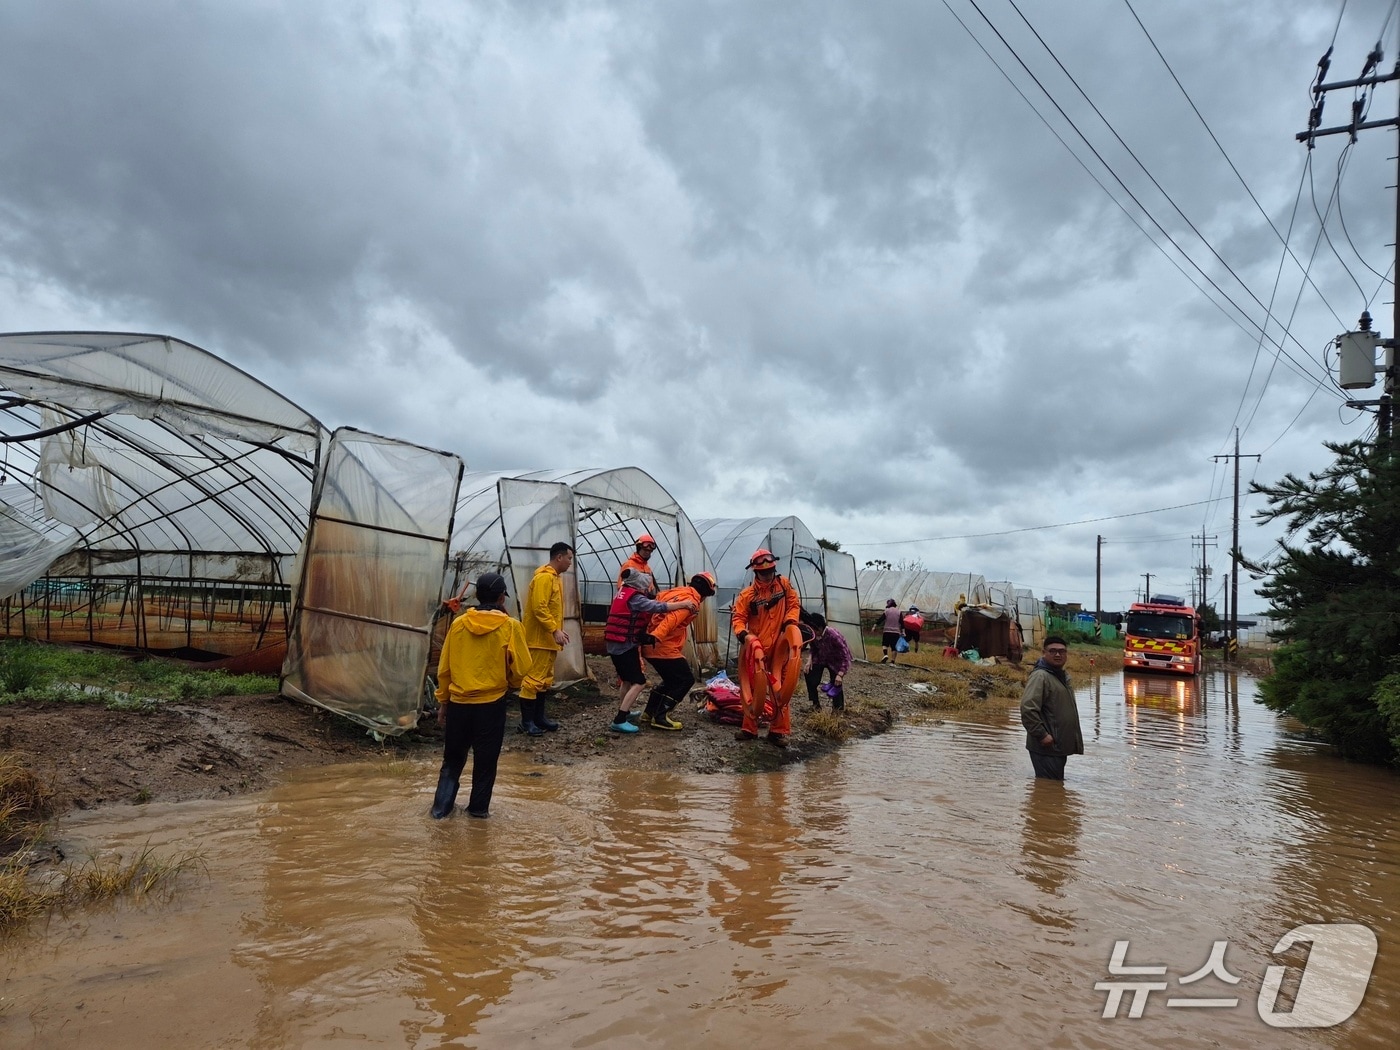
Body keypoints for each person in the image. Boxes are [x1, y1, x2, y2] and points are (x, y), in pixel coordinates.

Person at [429, 572, 530, 819]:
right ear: (501, 599)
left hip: (459, 705)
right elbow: (522, 668)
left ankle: (439, 814)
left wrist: (443, 703)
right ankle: (477, 816)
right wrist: (511, 683)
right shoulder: (510, 626)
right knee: (485, 766)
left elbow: (445, 669)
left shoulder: (459, 624)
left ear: (475, 595)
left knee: (451, 763)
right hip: (491, 706)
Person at [604, 568, 697, 733]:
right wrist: (683, 604)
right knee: (639, 682)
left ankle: (624, 712)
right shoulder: (636, 598)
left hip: (615, 644)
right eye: (645, 584)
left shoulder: (622, 592)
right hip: (625, 645)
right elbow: (658, 607)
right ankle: (619, 719)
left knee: (626, 680)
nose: (647, 587)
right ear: (638, 584)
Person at [731, 548, 802, 747]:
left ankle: (777, 732)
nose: (767, 575)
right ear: (755, 572)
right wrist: (743, 635)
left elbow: (794, 604)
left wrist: (790, 622)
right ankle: (749, 729)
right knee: (753, 689)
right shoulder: (747, 595)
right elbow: (738, 618)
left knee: (782, 690)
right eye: (763, 572)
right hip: (756, 648)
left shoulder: (783, 584)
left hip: (780, 647)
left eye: (770, 571)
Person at [640, 571, 717, 730]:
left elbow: (656, 601)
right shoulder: (692, 601)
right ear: (704, 591)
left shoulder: (676, 591)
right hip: (661, 646)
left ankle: (649, 712)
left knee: (670, 680)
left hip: (653, 644)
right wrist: (656, 636)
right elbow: (672, 619)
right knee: (685, 679)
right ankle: (661, 717)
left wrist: (648, 634)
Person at [517, 541, 574, 735]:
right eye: (569, 558)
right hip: (538, 640)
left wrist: (556, 631)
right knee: (533, 679)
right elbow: (539, 607)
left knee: (544, 679)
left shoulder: (555, 578)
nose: (570, 563)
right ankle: (527, 722)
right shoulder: (544, 578)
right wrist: (554, 630)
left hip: (546, 640)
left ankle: (538, 718)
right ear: (559, 557)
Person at [1018, 636, 1084, 780]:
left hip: (1057, 747)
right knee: (1049, 788)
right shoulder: (1041, 676)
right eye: (1053, 651)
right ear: (1044, 653)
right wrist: (1042, 735)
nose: (1058, 655)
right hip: (1047, 747)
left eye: (1062, 651)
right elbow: (1028, 709)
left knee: (1051, 789)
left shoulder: (1060, 676)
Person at [803, 611, 851, 711]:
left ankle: (838, 709)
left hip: (835, 661)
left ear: (820, 628)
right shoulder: (814, 635)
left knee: (836, 683)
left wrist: (840, 674)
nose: (813, 632)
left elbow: (846, 656)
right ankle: (815, 705)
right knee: (809, 674)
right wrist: (809, 661)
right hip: (821, 658)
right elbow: (813, 648)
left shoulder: (834, 636)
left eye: (814, 629)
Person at [875, 599, 903, 663]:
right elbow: (902, 623)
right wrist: (903, 632)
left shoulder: (887, 611)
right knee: (894, 647)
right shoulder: (899, 612)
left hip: (887, 631)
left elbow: (881, 619)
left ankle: (885, 655)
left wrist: (875, 625)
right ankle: (892, 662)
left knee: (885, 644)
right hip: (896, 632)